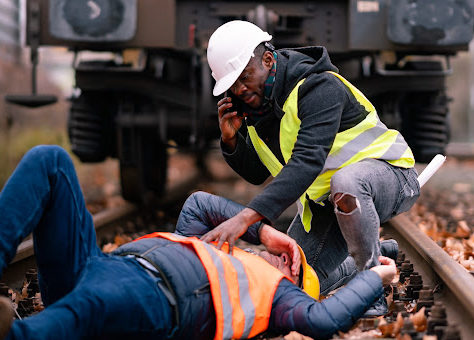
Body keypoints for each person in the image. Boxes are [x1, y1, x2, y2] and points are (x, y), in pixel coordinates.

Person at [0, 145, 396, 340]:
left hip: (148, 300)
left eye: (294, 269)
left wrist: (378, 275)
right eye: (289, 257)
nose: (284, 261)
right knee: (49, 161)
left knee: (88, 308)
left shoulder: (276, 300)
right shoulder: (217, 252)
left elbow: (323, 320)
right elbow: (198, 204)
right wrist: (262, 229)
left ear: (294, 288)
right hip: (95, 268)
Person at [203, 20, 420, 315]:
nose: (240, 90)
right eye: (232, 86)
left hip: (390, 177)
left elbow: (308, 160)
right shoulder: (258, 109)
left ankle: (373, 289)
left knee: (347, 181)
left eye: (245, 77)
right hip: (327, 204)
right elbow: (257, 173)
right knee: (293, 281)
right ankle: (378, 255)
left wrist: (244, 219)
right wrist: (231, 141)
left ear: (267, 59)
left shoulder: (319, 86)